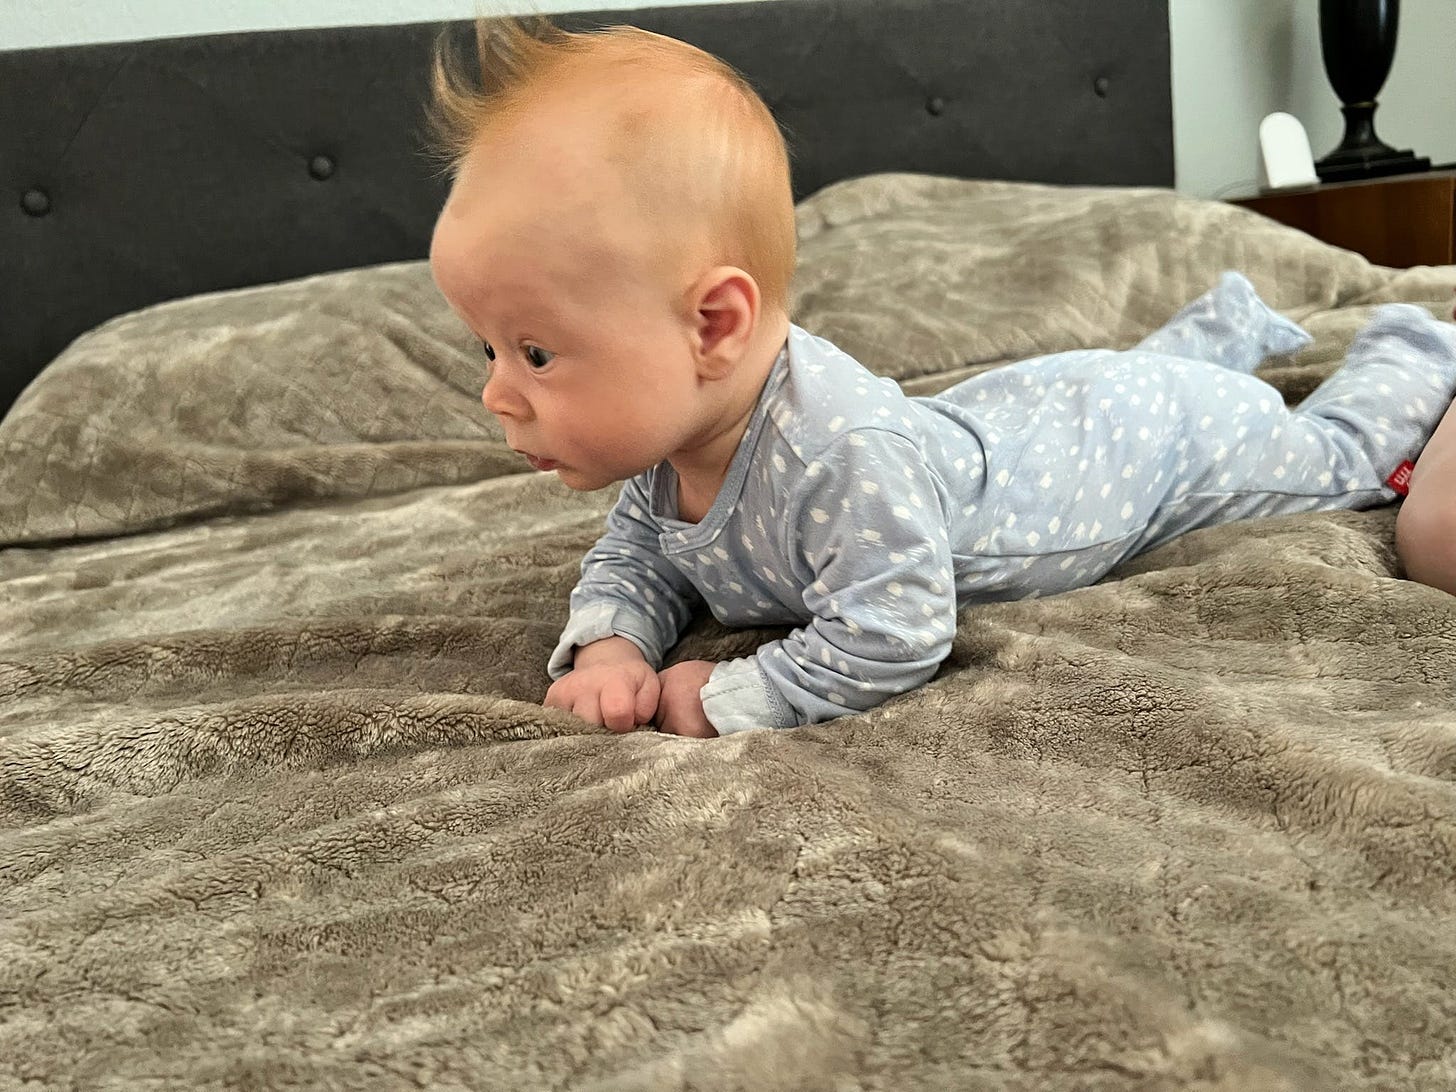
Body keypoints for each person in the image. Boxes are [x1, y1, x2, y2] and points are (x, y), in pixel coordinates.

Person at [425, 17, 1456, 739]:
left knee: (1335, 459)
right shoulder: (669, 446)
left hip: (1141, 452)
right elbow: (641, 560)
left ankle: (1411, 345)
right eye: (490, 348)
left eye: (538, 352)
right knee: (1095, 382)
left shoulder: (835, 457)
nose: (497, 394)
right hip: (1023, 416)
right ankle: (1218, 330)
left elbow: (894, 630)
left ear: (713, 325)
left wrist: (734, 694)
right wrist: (609, 649)